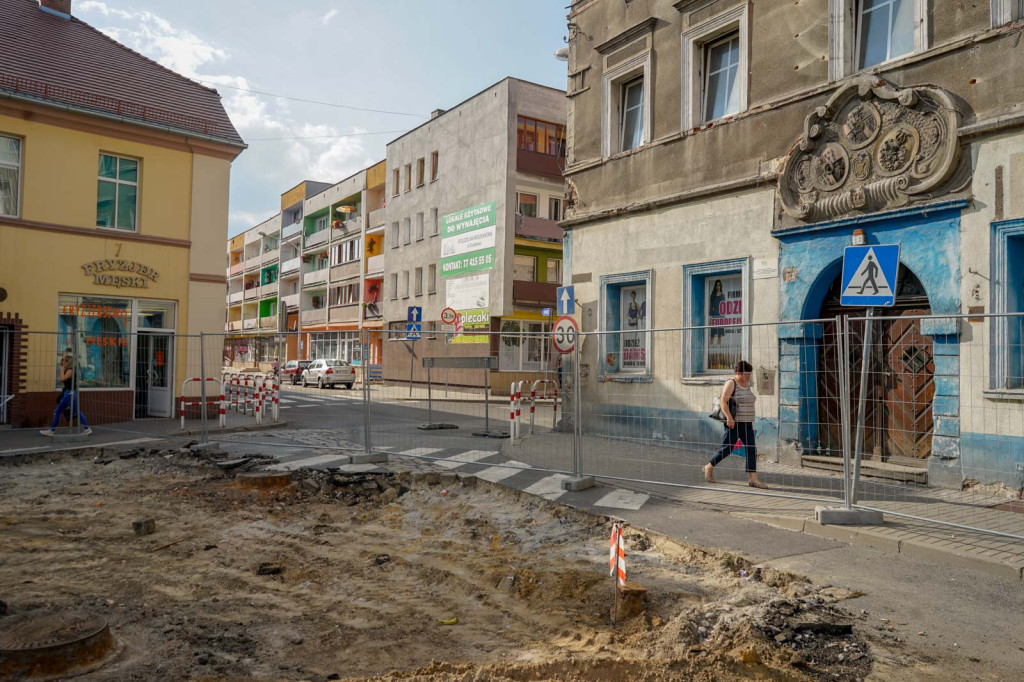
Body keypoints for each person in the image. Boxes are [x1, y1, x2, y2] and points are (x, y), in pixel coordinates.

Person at [703, 360, 766, 488]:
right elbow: (723, 401)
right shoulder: (731, 383)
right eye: (746, 374)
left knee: (751, 449)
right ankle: (709, 466)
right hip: (734, 424)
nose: (748, 376)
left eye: (749, 374)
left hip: (747, 424)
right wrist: (729, 418)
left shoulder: (746, 384)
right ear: (738, 372)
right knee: (727, 449)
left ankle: (752, 479)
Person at [41, 352, 92, 437]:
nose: (62, 362)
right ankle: (87, 429)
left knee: (57, 411)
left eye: (63, 360)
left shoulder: (70, 371)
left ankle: (51, 430)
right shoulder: (70, 369)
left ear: (67, 362)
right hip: (72, 392)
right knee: (77, 411)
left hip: (69, 393)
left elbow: (62, 378)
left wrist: (61, 369)